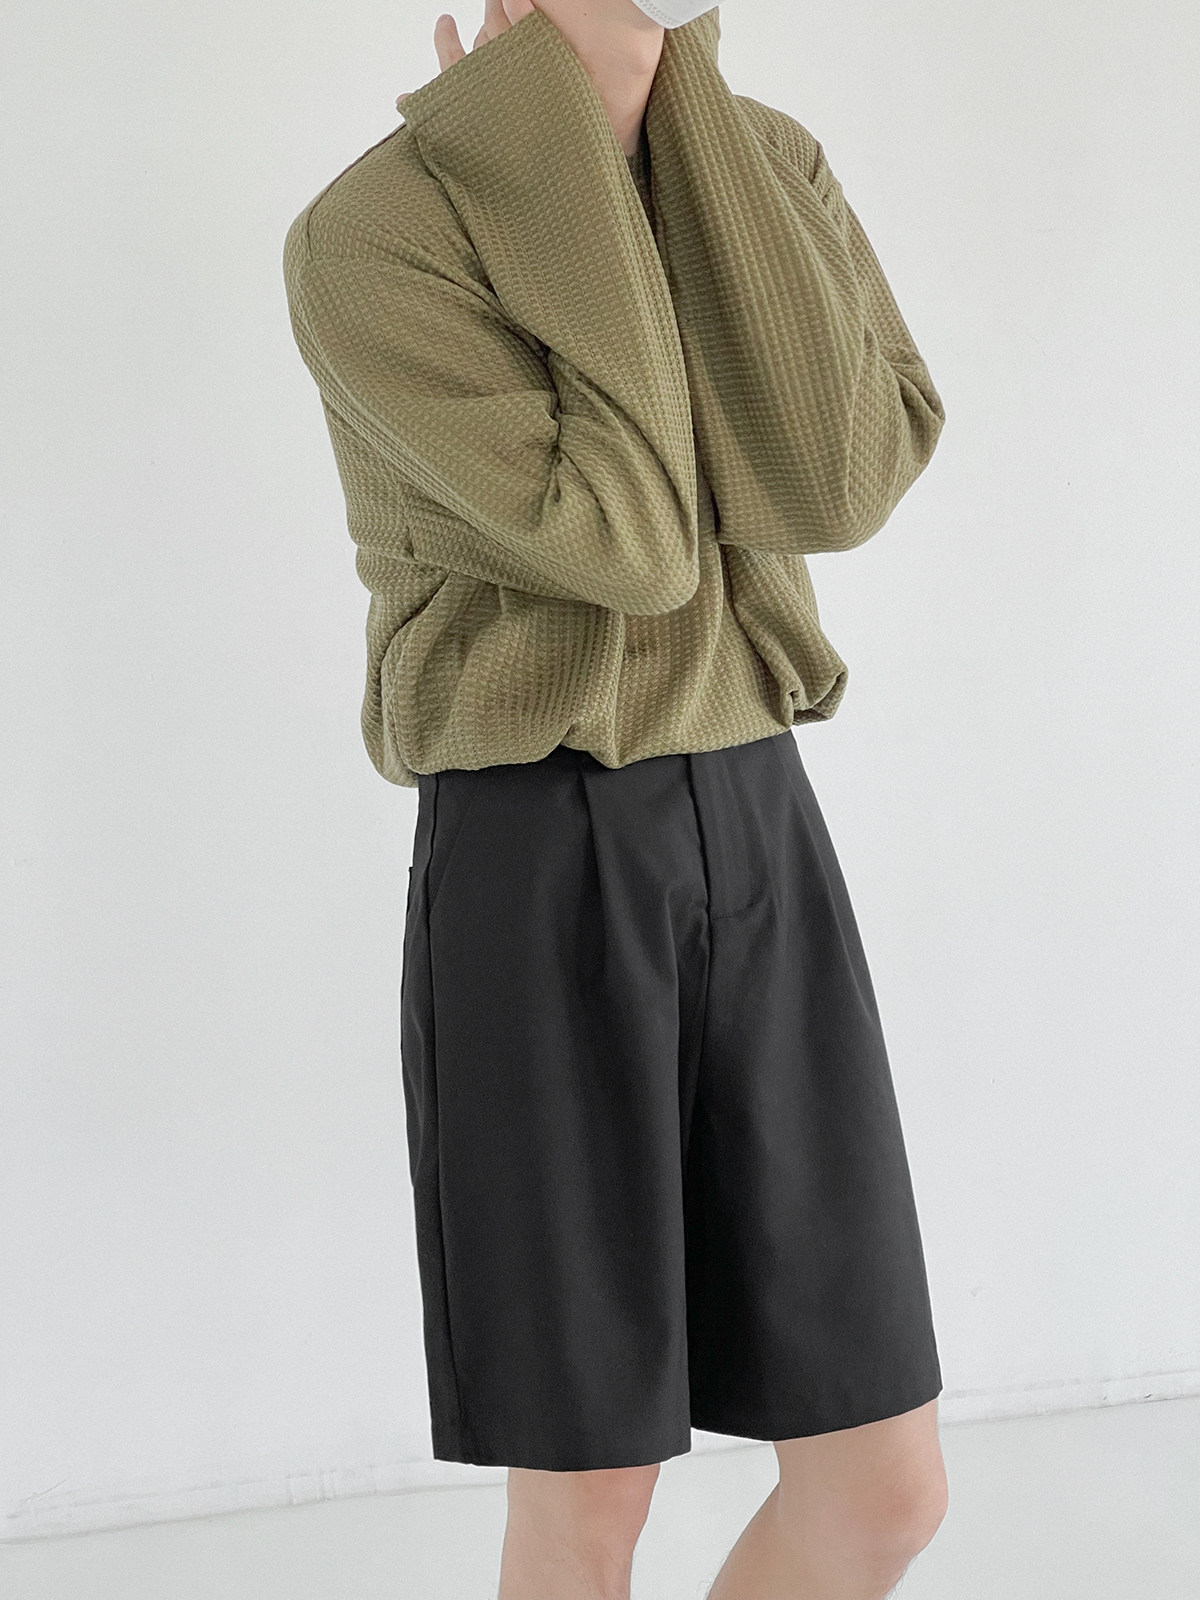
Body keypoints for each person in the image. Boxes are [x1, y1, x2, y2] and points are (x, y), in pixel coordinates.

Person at [282, 1, 950, 1594]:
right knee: (590, 1502)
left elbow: (842, 479)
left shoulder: (765, 161)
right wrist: (551, 161)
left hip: (762, 818)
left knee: (884, 1487)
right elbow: (632, 542)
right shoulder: (375, 233)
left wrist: (675, 125)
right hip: (539, 850)